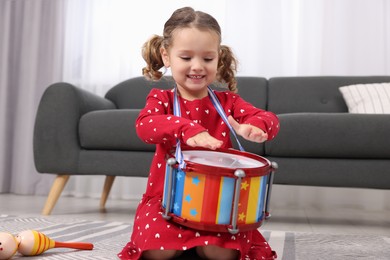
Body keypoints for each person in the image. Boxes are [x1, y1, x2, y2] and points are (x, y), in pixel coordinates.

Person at [118, 6, 279, 260]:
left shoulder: (229, 103)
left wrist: (257, 126)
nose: (197, 66)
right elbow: (145, 126)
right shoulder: (162, 99)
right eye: (186, 58)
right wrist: (185, 128)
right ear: (166, 56)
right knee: (156, 253)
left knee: (219, 253)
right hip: (166, 201)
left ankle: (199, 246)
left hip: (218, 206)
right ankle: (188, 246)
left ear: (218, 58)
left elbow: (269, 118)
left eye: (207, 58)